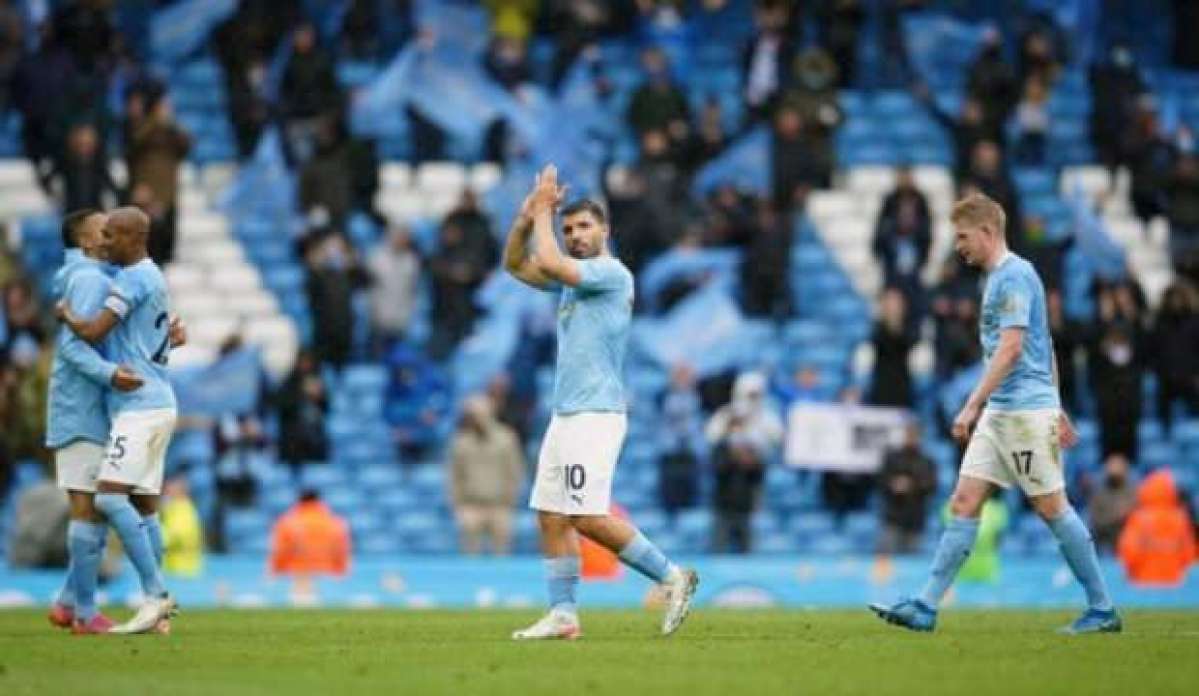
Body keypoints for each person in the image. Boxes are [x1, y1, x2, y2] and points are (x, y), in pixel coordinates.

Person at [870, 193, 1121, 635]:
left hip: (1022, 412)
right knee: (963, 502)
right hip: (1006, 410)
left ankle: (1102, 608)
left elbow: (1012, 348)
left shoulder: (1014, 277)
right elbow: (1046, 346)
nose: (958, 246)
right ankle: (926, 606)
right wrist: (1057, 402)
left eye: (963, 236)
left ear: (987, 232)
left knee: (1050, 506)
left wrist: (973, 402)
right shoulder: (1000, 279)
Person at [502, 165, 698, 640]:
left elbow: (546, 263)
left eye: (583, 226)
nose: (574, 235)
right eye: (568, 229)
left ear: (605, 231)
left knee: (586, 516)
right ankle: (564, 614)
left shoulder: (610, 274)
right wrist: (527, 219)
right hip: (565, 413)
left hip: (596, 413)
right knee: (551, 513)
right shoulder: (575, 281)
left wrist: (546, 207)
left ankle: (673, 577)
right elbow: (514, 264)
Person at [57, 207, 182, 634]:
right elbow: (159, 341)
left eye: (111, 235)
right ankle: (159, 612)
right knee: (146, 509)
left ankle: (156, 595)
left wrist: (67, 316)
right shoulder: (155, 276)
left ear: (132, 237)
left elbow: (92, 333)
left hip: (140, 408)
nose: (104, 242)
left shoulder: (131, 279)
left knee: (109, 499)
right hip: (159, 401)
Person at [44, 209, 146, 635]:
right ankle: (85, 614)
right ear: (86, 242)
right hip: (81, 411)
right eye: (103, 230)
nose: (110, 236)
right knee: (88, 511)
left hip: (89, 410)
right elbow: (71, 347)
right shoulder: (88, 279)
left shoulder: (90, 276)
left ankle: (69, 603)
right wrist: (110, 375)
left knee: (99, 512)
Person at [448, 395, 525, 555]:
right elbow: (454, 476)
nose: (476, 419)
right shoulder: (460, 442)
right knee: (470, 555)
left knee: (501, 555)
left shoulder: (506, 439)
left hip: (500, 505)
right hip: (471, 506)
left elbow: (515, 471)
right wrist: (458, 505)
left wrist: (510, 500)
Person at [1117, 469, 1197, 586]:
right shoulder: (1180, 518)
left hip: (1143, 583)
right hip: (1174, 585)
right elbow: (1189, 555)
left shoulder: (1138, 518)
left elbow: (1128, 553)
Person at [876, 423, 937, 555]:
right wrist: (893, 484)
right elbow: (880, 481)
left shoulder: (927, 461)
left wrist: (911, 486)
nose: (911, 439)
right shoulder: (892, 458)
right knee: (885, 558)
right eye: (908, 435)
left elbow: (931, 487)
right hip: (892, 517)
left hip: (915, 519)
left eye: (914, 436)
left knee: (911, 563)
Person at [269, 489, 351, 577]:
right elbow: (341, 552)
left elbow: (280, 551)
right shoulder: (336, 523)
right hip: (328, 574)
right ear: (319, 502)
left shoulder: (287, 522)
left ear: (299, 502)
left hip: (297, 574)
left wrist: (274, 574)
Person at [1088, 453, 1138, 554]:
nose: (1115, 473)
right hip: (1105, 538)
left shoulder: (1134, 493)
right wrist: (1116, 517)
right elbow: (1095, 520)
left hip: (1129, 537)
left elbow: (1139, 518)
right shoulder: (1099, 494)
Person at [160, 476, 204, 577]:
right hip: (175, 570)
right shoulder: (173, 510)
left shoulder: (183, 511)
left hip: (183, 571)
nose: (165, 495)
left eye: (168, 492)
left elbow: (174, 536)